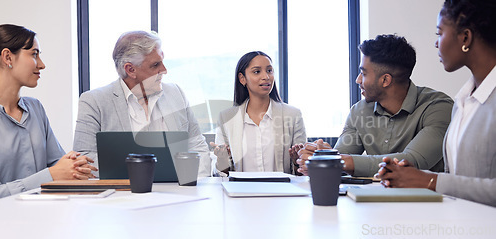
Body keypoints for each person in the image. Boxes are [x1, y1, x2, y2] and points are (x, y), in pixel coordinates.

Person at [377, 0, 496, 207]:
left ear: (465, 37)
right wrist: (412, 176)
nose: (436, 43)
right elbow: (461, 179)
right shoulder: (463, 101)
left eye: (439, 33)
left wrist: (429, 180)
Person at [297, 34, 454, 177]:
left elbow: (411, 161)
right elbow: (342, 157)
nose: (358, 80)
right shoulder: (359, 111)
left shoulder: (438, 107)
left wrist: (334, 161)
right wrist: (322, 155)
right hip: (371, 202)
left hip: (427, 204)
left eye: (364, 74)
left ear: (385, 80)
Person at [73, 30, 211, 177]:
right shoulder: (94, 101)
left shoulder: (176, 93)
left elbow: (198, 147)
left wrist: (191, 186)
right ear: (130, 69)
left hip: (178, 192)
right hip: (121, 195)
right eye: (155, 65)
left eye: (162, 61)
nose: (164, 70)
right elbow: (84, 159)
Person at [0, 24, 97, 199]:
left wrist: (74, 165)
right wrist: (51, 175)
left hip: (44, 215)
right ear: (7, 57)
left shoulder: (35, 109)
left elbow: (57, 164)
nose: (42, 65)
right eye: (34, 54)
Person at [211, 51, 306, 176]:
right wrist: (222, 160)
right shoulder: (227, 118)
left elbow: (303, 171)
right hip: (240, 193)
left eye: (269, 71)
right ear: (242, 78)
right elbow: (219, 175)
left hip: (281, 192)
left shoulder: (293, 115)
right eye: (257, 71)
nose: (266, 76)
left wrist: (297, 162)